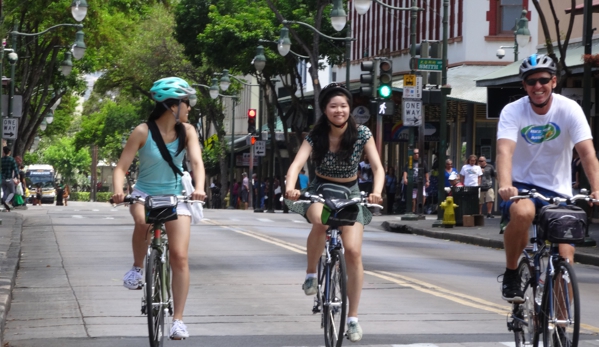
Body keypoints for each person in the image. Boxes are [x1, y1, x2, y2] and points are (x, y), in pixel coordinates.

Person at [284, 83, 384, 342]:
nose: (339, 110)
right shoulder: (314, 135)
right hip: (321, 189)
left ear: (349, 108)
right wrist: (291, 187)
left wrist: (376, 191)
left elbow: (377, 168)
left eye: (343, 106)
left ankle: (352, 319)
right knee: (320, 220)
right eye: (333, 106)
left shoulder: (362, 133)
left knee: (353, 252)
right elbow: (296, 164)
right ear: (324, 110)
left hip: (351, 192)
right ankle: (311, 274)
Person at [497, 53, 599, 303]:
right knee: (522, 214)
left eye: (543, 80)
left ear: (554, 82)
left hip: (559, 191)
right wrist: (505, 185)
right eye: (531, 82)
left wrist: (596, 189)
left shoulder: (569, 109)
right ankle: (512, 272)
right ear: (524, 86)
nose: (537, 86)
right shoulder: (513, 111)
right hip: (522, 185)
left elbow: (586, 152)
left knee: (566, 260)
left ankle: (560, 328)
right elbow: (504, 150)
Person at [111, 76, 206, 339]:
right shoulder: (142, 131)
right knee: (143, 222)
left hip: (177, 196)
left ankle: (178, 320)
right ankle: (138, 267)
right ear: (172, 105)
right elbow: (121, 168)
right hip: (144, 193)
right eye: (186, 103)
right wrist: (119, 191)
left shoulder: (188, 131)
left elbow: (196, 163)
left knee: (179, 257)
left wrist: (199, 187)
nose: (189, 108)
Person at [402, 148, 429, 213]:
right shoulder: (410, 161)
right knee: (413, 197)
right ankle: (413, 210)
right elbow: (405, 171)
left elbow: (426, 172)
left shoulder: (422, 162)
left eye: (417, 153)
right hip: (413, 182)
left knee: (423, 195)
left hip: (421, 182)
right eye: (415, 153)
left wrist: (428, 181)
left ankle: (420, 208)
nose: (416, 155)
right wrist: (405, 178)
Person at [1, 147, 19, 211]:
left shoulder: (1, 160)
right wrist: (17, 177)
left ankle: (4, 204)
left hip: (2, 179)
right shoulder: (11, 159)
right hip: (9, 178)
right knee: (12, 192)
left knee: (4, 191)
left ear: (3, 152)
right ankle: (7, 202)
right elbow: (15, 169)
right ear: (9, 152)